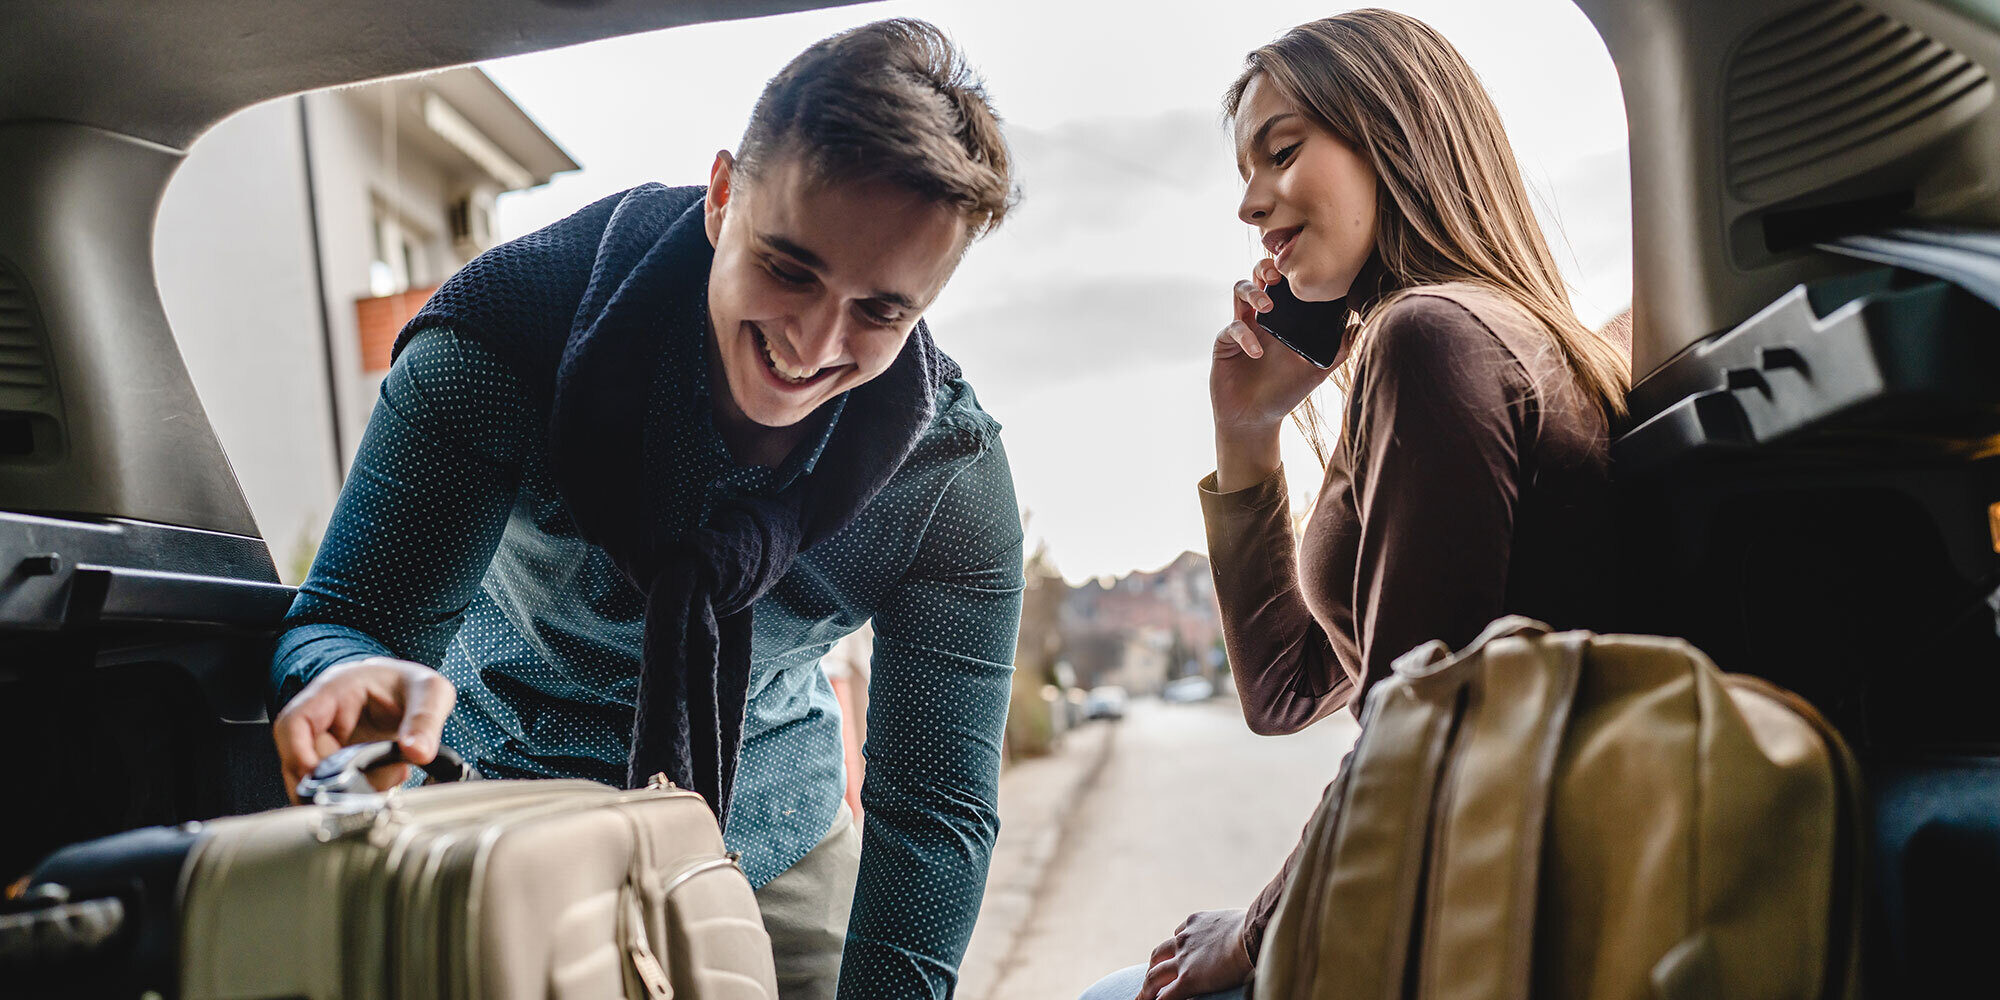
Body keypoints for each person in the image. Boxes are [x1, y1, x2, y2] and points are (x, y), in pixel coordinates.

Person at [268, 20, 1023, 1000]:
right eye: (788, 266)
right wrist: (344, 669)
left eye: (881, 312)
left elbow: (934, 808)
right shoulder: (500, 340)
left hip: (774, 847)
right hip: (496, 822)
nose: (812, 341)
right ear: (721, 196)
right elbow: (345, 622)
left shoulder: (945, 477)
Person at [1081, 10, 1629, 1000]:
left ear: (1394, 130)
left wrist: (1249, 933)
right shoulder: (1475, 336)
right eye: (1243, 174)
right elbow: (1289, 689)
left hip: (1479, 918)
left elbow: (1408, 739)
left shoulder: (1433, 340)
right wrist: (1246, 433)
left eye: (1279, 151)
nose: (1250, 205)